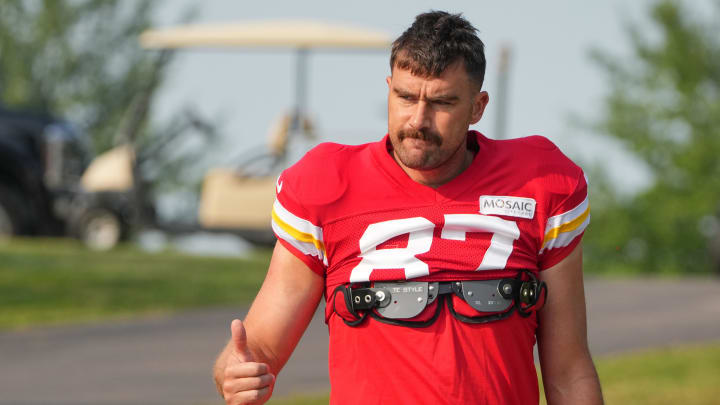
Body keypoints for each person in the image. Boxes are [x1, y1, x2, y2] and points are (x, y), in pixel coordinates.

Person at [213, 10, 604, 405]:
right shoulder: (326, 185)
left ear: (478, 107)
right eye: (405, 96)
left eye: (442, 102)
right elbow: (259, 347)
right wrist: (235, 374)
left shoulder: (540, 185)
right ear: (388, 89)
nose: (418, 119)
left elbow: (569, 371)